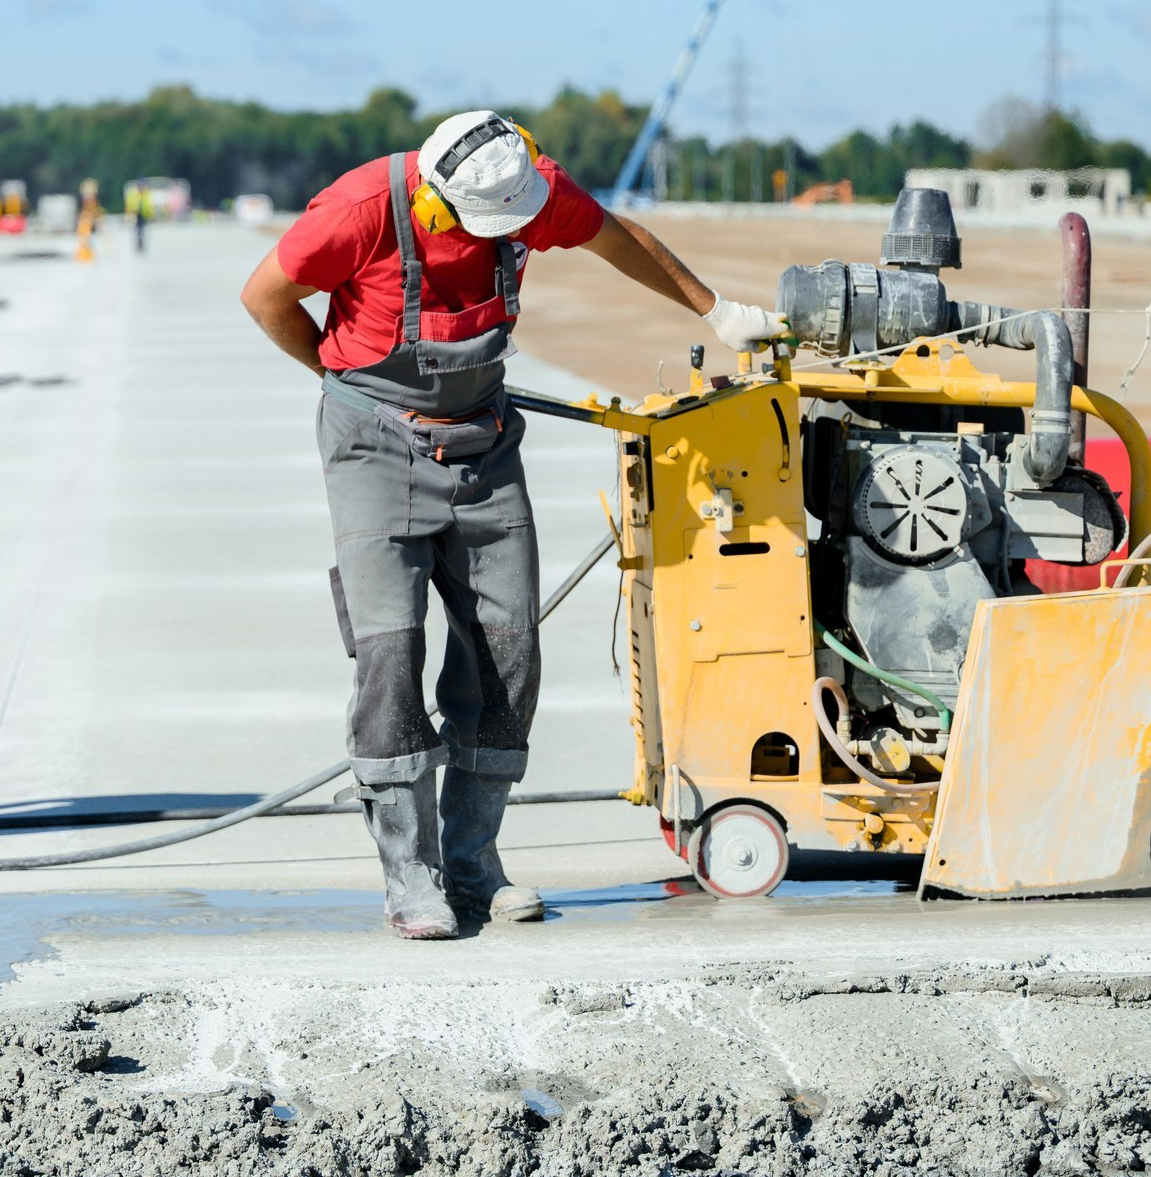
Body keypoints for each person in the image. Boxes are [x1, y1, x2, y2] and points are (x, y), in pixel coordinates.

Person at [239, 111, 779, 939]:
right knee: (391, 653)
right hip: (374, 448)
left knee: (508, 649)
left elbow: (615, 238)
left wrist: (716, 309)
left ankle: (473, 863)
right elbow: (265, 295)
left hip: (483, 446)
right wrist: (340, 379)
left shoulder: (524, 187)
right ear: (438, 193)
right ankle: (409, 873)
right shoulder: (361, 210)